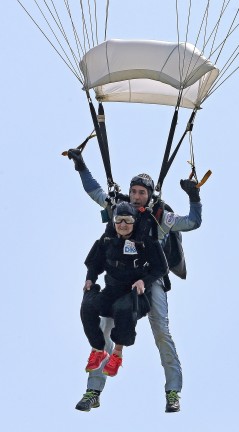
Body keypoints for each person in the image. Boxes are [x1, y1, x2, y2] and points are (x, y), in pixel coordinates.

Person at [68, 149, 202, 413]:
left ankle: (173, 391)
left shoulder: (161, 216)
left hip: (151, 279)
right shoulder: (120, 208)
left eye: (142, 193)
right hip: (119, 282)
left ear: (150, 195)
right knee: (104, 327)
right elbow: (94, 191)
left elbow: (193, 222)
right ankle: (93, 391)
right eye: (134, 192)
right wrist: (81, 165)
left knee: (161, 332)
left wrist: (194, 196)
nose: (137, 197)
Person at [81, 201, 168, 378]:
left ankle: (117, 353)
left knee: (123, 309)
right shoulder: (107, 240)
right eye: (119, 220)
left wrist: (144, 281)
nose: (122, 225)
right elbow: (94, 263)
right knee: (87, 306)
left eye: (127, 220)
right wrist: (90, 279)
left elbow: (161, 268)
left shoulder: (145, 241)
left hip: (136, 296)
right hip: (111, 290)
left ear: (134, 221)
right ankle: (98, 350)